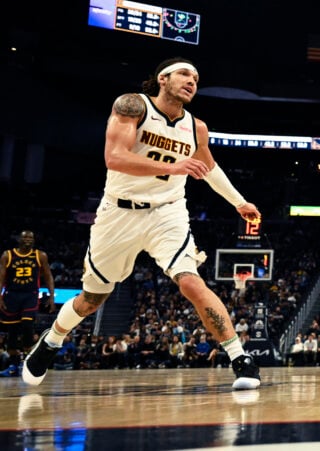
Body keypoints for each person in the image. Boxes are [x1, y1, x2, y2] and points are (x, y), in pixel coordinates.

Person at [21, 58, 262, 390]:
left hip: (168, 211)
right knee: (92, 299)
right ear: (163, 78)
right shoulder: (133, 105)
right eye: (184, 74)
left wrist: (239, 201)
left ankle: (240, 358)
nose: (192, 80)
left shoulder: (196, 127)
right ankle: (52, 340)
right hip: (119, 213)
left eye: (196, 77)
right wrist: (176, 167)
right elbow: (115, 157)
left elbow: (209, 169)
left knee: (190, 281)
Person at [0, 230, 55, 376]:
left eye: (31, 237)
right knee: (11, 332)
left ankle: (28, 362)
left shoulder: (40, 255)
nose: (28, 239)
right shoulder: (8, 255)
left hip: (30, 295)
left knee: (27, 325)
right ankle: (13, 365)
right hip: (11, 295)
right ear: (19, 239)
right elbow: (1, 276)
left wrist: (51, 297)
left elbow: (48, 275)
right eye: (25, 237)